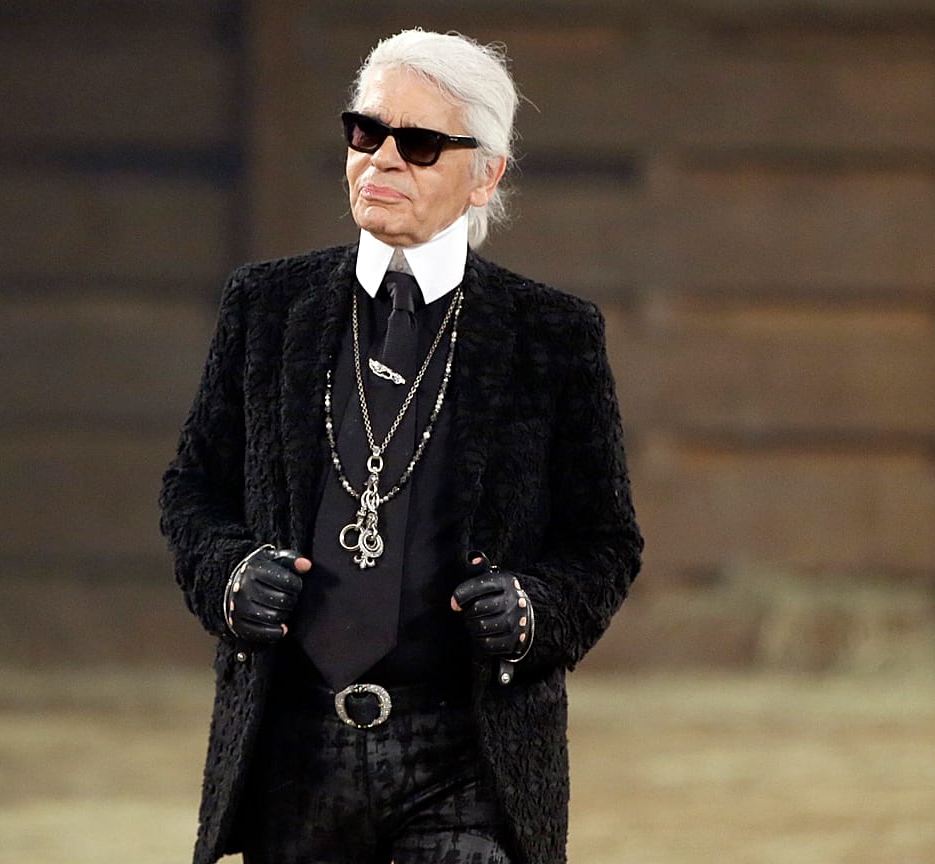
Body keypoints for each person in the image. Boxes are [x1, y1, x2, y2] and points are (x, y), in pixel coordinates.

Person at [160, 29, 642, 864]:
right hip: (292, 750)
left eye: (418, 144)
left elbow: (605, 542)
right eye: (366, 132)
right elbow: (192, 490)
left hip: (469, 752)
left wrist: (533, 610)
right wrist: (229, 576)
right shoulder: (266, 306)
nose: (381, 158)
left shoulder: (552, 333)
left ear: (484, 174)